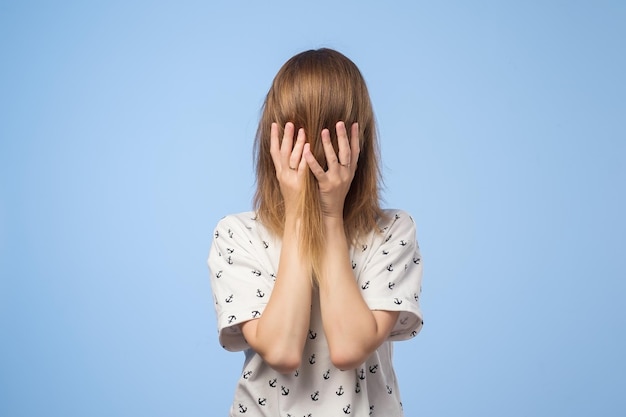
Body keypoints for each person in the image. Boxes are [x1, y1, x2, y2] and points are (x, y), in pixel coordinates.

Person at [208, 48, 423, 417]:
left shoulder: (391, 233)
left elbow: (349, 347)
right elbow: (281, 351)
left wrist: (328, 215)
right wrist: (297, 217)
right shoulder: (237, 235)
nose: (313, 152)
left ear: (359, 143)